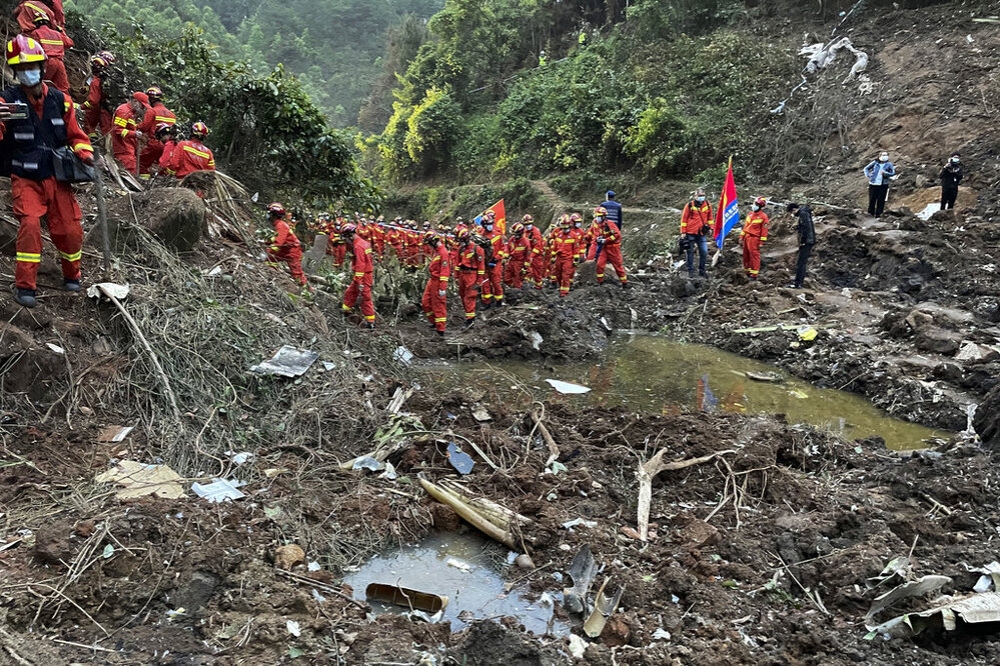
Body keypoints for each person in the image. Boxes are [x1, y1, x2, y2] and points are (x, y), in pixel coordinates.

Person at [0, 34, 93, 308]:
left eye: (32, 67)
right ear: (15, 72)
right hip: (26, 178)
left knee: (70, 229)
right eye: (21, 68)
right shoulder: (7, 102)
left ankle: (72, 275)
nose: (28, 72)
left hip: (58, 176)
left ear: (42, 67)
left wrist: (84, 153)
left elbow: (77, 135)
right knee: (29, 226)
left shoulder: (61, 100)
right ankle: (25, 286)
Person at [26, 12, 72, 94]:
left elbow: (34, 51)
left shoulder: (36, 33)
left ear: (36, 24)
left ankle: (41, 105)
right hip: (60, 63)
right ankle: (66, 105)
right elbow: (70, 43)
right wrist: (61, 31)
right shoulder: (57, 33)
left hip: (48, 62)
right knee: (63, 88)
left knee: (42, 85)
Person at [340, 223, 375, 328]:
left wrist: (359, 281)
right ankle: (346, 311)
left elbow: (361, 264)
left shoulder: (358, 246)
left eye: (346, 238)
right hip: (362, 275)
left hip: (364, 276)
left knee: (365, 299)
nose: (346, 241)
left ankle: (370, 323)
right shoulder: (363, 243)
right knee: (350, 293)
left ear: (350, 235)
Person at [137, 86, 176, 178]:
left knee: (142, 163)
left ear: (151, 98)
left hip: (155, 143)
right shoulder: (171, 114)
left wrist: (134, 126)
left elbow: (144, 127)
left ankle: (144, 183)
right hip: (168, 145)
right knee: (163, 166)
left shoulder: (152, 111)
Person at [265, 202, 307, 286]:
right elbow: (276, 238)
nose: (267, 215)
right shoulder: (278, 225)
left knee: (297, 273)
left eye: (269, 213)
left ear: (274, 214)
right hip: (285, 249)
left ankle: (305, 290)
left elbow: (278, 243)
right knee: (270, 259)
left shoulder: (281, 225)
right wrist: (265, 242)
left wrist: (268, 251)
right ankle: (272, 276)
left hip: (293, 251)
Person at [421, 231, 451, 336]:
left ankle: (440, 329)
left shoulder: (443, 252)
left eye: (429, 243)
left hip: (438, 281)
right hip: (432, 280)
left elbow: (445, 271)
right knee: (425, 302)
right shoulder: (436, 251)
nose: (429, 245)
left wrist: (442, 286)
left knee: (438, 305)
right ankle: (434, 322)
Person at [456, 228, 485, 328]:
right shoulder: (461, 249)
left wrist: (480, 280)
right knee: (462, 295)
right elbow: (457, 263)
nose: (461, 243)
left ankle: (470, 320)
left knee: (470, 297)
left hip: (472, 275)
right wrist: (456, 276)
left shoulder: (477, 249)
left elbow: (481, 266)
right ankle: (469, 315)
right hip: (462, 275)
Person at [680, 189, 713, 278]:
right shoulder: (689, 205)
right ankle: (690, 270)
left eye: (703, 195)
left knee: (704, 252)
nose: (702, 197)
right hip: (690, 232)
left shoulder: (708, 205)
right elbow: (684, 219)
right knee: (690, 252)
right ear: (695, 196)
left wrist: (711, 228)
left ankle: (702, 270)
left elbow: (710, 217)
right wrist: (683, 231)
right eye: (700, 195)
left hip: (701, 233)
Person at [593, 207, 629, 288]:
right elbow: (597, 235)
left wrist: (606, 240)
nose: (597, 218)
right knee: (599, 265)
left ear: (603, 216)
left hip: (613, 248)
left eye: (598, 216)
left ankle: (625, 283)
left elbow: (617, 235)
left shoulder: (610, 224)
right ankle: (600, 282)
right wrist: (598, 239)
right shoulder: (600, 226)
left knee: (618, 266)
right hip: (604, 248)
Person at [82, 51, 114, 137]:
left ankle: (92, 141)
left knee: (89, 123)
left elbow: (93, 101)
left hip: (100, 107)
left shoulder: (96, 81)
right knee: (107, 130)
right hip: (109, 108)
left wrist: (82, 107)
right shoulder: (111, 79)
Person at [111, 93, 145, 173]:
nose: (142, 109)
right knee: (128, 171)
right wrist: (135, 134)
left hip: (128, 148)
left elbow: (128, 127)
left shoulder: (131, 113)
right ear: (135, 101)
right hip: (123, 149)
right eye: (142, 106)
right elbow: (118, 130)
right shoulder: (124, 111)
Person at [550, 215, 582, 297]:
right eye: (563, 227)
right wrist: (553, 256)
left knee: (565, 275)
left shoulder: (574, 235)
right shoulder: (559, 234)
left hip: (568, 258)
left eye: (566, 227)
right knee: (558, 274)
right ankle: (561, 288)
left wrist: (575, 259)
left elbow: (576, 248)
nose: (565, 229)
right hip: (559, 258)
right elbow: (555, 246)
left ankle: (564, 293)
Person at [786, 202, 815, 289]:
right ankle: (798, 281)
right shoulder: (805, 213)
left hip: (807, 241)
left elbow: (806, 228)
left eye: (792, 212)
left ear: (794, 210)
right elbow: (804, 226)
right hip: (809, 240)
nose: (792, 214)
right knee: (801, 262)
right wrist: (797, 227)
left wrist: (803, 241)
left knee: (801, 263)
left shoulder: (803, 214)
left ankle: (798, 283)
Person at [480, 212, 506, 308]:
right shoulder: (481, 237)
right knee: (485, 283)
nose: (490, 226)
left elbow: (503, 248)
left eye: (491, 224)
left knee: (496, 282)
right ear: (484, 225)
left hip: (496, 263)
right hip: (485, 263)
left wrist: (496, 259)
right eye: (488, 224)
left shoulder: (498, 235)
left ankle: (499, 300)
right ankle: (486, 302)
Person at [740, 197, 769, 279]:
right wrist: (741, 237)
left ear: (760, 206)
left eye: (756, 204)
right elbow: (745, 226)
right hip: (747, 237)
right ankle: (748, 271)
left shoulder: (763, 217)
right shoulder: (750, 214)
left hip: (754, 238)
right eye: (754, 203)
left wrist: (761, 242)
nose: (754, 205)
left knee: (754, 256)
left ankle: (754, 274)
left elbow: (764, 230)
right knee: (746, 255)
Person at [863, 150, 896, 218]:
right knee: (872, 199)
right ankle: (870, 214)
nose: (884, 157)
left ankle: (879, 215)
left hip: (883, 184)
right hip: (873, 184)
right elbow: (866, 168)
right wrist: (869, 175)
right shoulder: (875, 163)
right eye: (883, 155)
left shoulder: (889, 164)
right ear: (879, 156)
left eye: (886, 155)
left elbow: (893, 173)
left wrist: (886, 173)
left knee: (881, 200)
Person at [504, 222, 531, 289]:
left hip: (519, 263)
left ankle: (517, 293)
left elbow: (528, 255)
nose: (514, 235)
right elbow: (507, 247)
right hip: (511, 261)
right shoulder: (512, 239)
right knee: (506, 277)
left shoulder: (525, 242)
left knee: (517, 279)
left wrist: (525, 267)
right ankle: (509, 289)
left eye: (515, 234)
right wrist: (506, 255)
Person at [523, 214, 547, 290]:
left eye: (529, 224)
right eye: (526, 224)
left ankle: (538, 286)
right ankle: (527, 285)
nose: (527, 226)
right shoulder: (524, 231)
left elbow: (538, 246)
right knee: (526, 270)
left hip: (536, 256)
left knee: (536, 271)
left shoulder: (535, 232)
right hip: (527, 254)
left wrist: (532, 256)